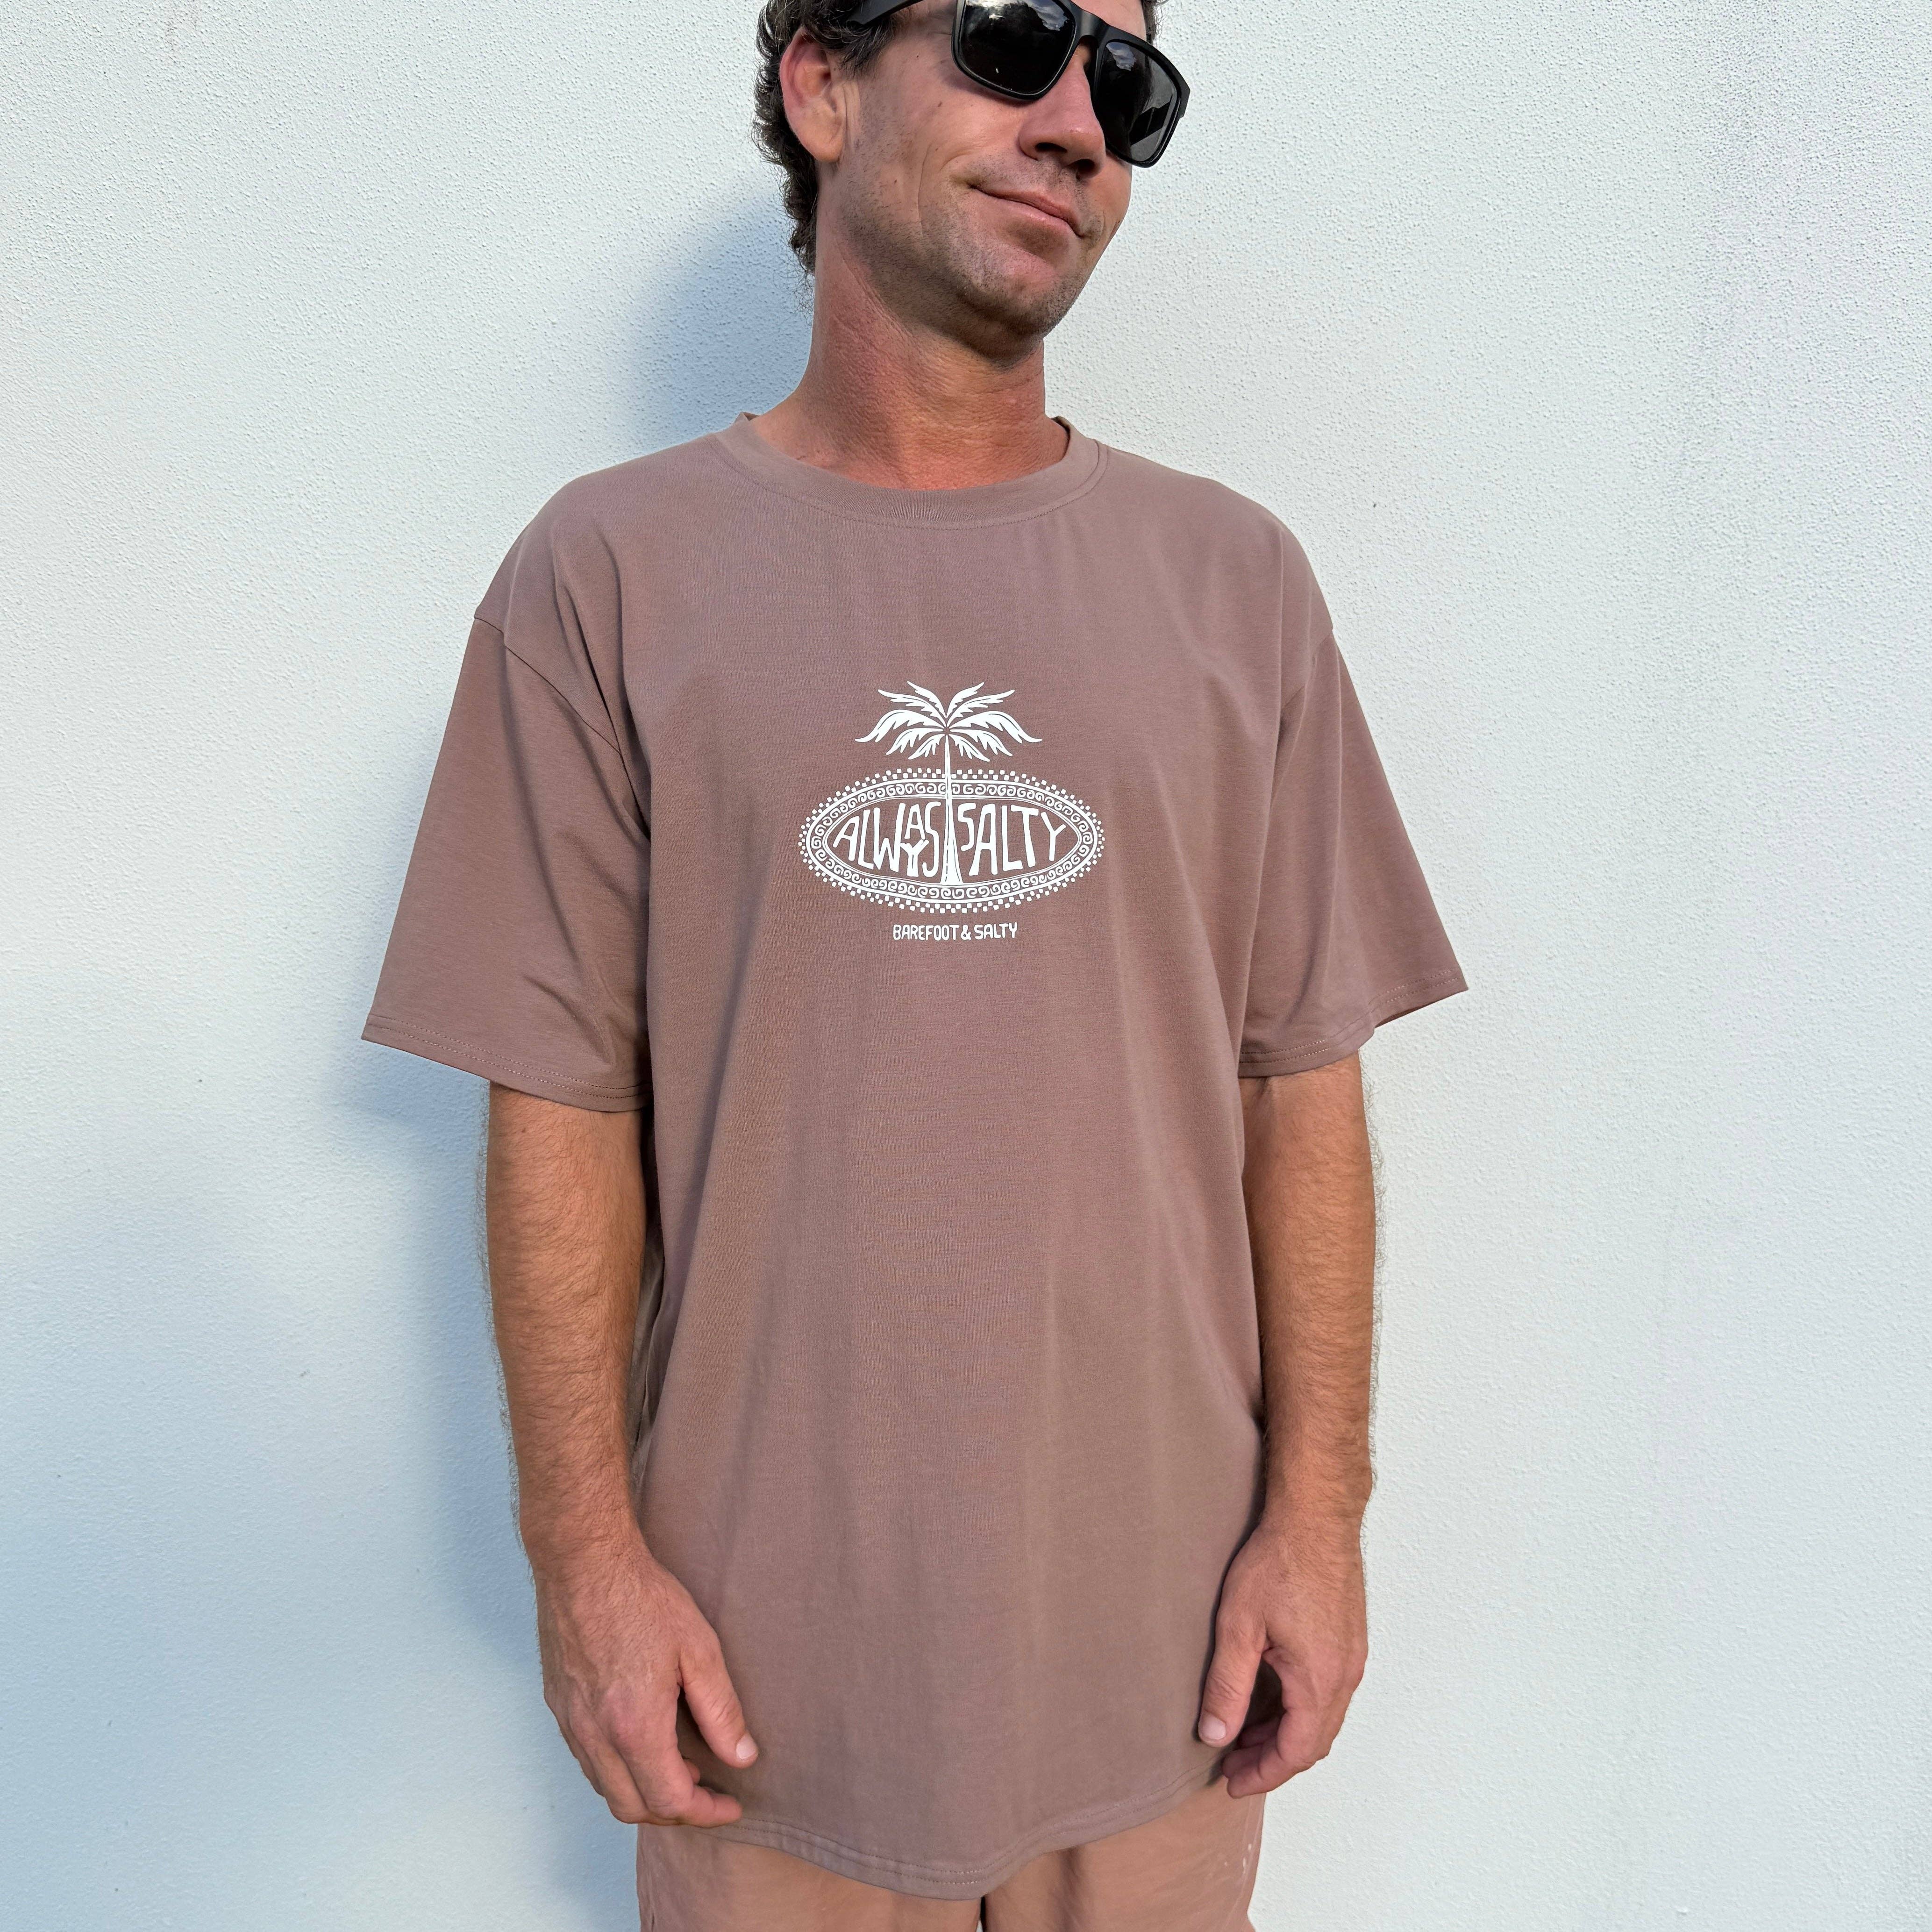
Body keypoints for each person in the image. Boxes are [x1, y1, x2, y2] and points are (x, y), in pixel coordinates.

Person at [361, 1, 1466, 1925]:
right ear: (822, 82)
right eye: (1015, 43)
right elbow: (557, 1101)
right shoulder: (607, 575)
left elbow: (1298, 1080)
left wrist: (1319, 1521)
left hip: (1168, 1674)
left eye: (1128, 87)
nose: (1076, 123)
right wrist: (585, 1564)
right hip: (756, 1691)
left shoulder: (1235, 581)